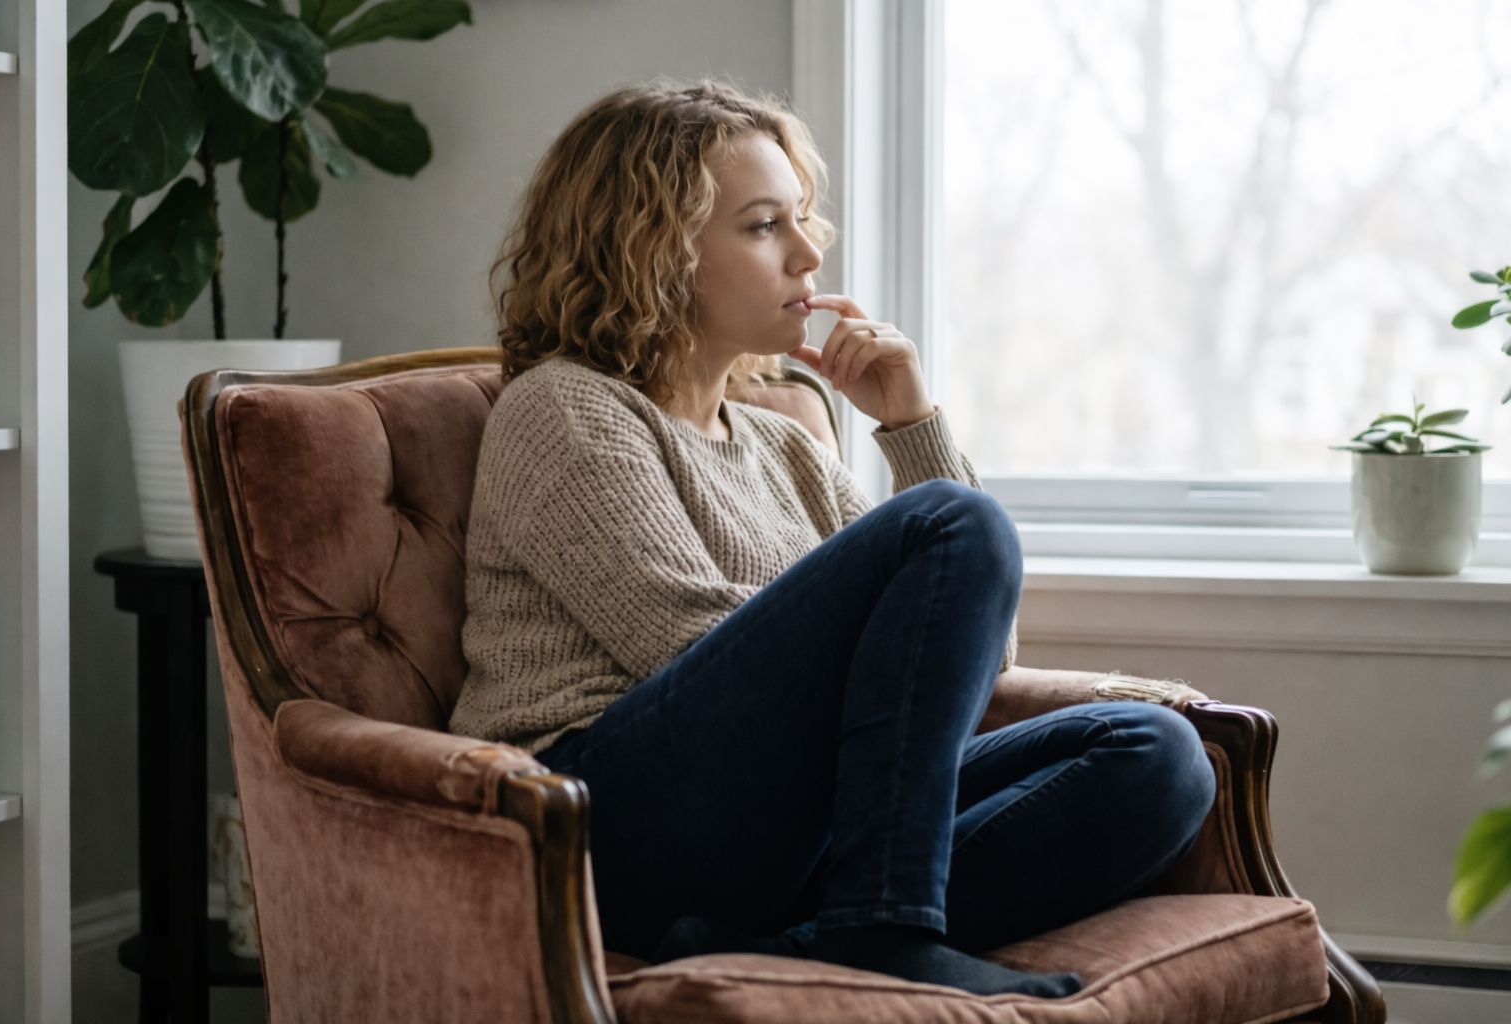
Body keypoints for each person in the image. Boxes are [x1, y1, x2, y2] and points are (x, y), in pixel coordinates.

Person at [450, 79, 1215, 998]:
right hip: (606, 816)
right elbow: (683, 652)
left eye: (801, 220)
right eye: (765, 225)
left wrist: (911, 422)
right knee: (956, 523)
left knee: (1158, 759)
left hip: (777, 834)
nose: (809, 254)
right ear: (651, 249)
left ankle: (793, 943)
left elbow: (974, 657)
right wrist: (878, 638)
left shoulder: (782, 444)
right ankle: (881, 933)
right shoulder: (567, 408)